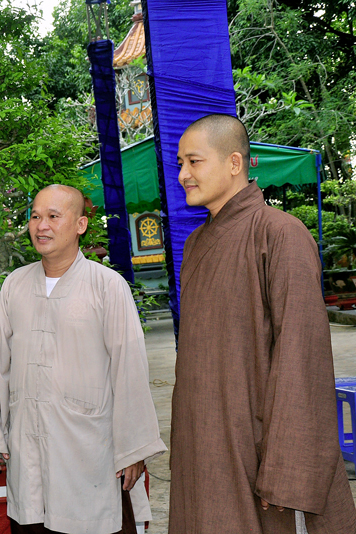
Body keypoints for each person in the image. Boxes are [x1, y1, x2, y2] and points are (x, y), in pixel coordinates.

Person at [169, 114, 356, 533]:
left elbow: (302, 357)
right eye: (180, 163)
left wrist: (288, 465)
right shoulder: (196, 243)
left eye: (194, 162)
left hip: (256, 443)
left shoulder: (280, 233)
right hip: (205, 436)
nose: (183, 175)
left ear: (234, 163)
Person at [0, 184, 166, 534]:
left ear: (80, 225)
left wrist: (134, 449)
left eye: (53, 216)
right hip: (27, 441)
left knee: (89, 520)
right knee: (32, 516)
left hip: (88, 446)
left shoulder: (107, 286)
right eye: (35, 216)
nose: (41, 226)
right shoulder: (15, 285)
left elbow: (129, 369)